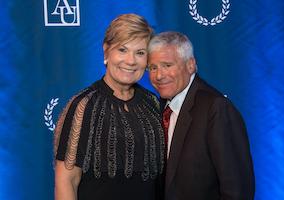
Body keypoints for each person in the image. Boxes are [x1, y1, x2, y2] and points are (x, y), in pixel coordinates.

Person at [54, 14, 165, 200]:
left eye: (140, 52)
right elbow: (66, 181)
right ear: (106, 52)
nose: (130, 61)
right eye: (122, 50)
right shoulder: (83, 105)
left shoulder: (153, 103)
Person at [148, 31, 255, 200]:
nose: (159, 75)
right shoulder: (157, 108)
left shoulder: (216, 108)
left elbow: (237, 190)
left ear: (190, 65)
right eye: (153, 68)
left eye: (167, 65)